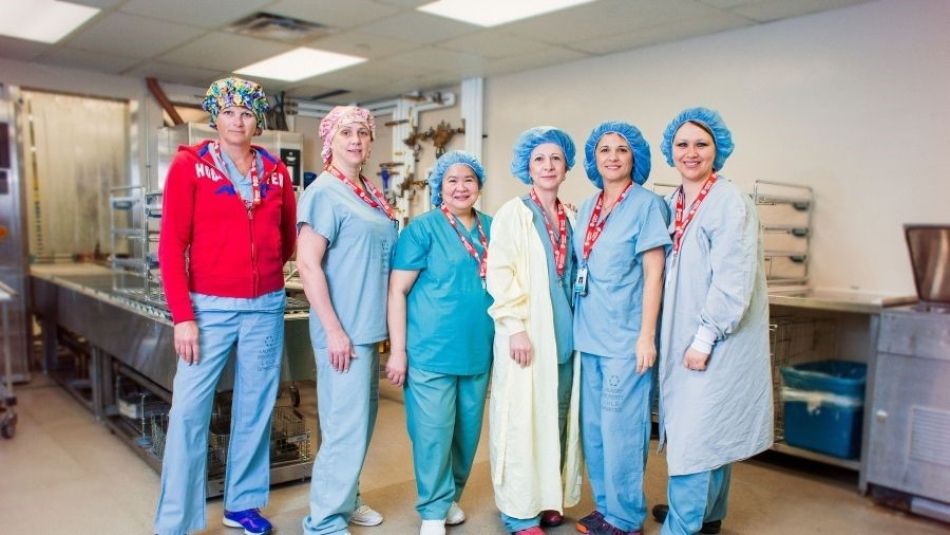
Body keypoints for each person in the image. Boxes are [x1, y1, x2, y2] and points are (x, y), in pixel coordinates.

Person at [154, 76, 297, 535]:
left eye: (247, 112)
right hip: (208, 308)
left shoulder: (276, 172)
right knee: (189, 413)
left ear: (258, 119)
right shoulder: (189, 166)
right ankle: (176, 521)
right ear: (214, 117)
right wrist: (183, 317)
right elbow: (171, 247)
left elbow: (288, 238)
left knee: (256, 408)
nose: (238, 120)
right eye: (229, 111)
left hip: (266, 306)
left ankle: (242, 505)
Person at [652, 107, 772, 535]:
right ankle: (708, 516)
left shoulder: (728, 201)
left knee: (696, 436)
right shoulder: (673, 201)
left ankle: (682, 525)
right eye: (682, 144)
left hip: (713, 338)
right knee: (708, 431)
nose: (690, 152)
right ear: (670, 150)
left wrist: (704, 338)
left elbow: (733, 279)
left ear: (717, 150)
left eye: (701, 144)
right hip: (683, 334)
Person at [296, 106, 396, 535]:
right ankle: (324, 520)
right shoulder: (323, 192)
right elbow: (308, 264)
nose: (355, 139)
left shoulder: (368, 193)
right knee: (343, 428)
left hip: (368, 330)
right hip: (344, 332)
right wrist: (335, 331)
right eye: (346, 132)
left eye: (362, 133)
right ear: (330, 140)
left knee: (360, 424)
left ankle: (347, 497)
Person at [386, 151, 494, 535]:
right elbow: (397, 291)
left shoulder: (493, 228)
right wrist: (398, 351)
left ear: (478, 186)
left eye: (468, 180)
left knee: (467, 435)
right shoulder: (422, 229)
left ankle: (450, 499)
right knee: (432, 435)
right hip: (430, 352)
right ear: (440, 188)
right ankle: (432, 510)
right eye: (452, 180)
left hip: (478, 351)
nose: (461, 187)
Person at [571, 121, 671, 535]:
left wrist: (646, 335)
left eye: (622, 150)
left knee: (621, 429)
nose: (612, 156)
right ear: (594, 160)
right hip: (588, 333)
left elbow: (654, 274)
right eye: (604, 150)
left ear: (636, 158)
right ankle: (605, 506)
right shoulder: (588, 205)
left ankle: (626, 516)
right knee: (593, 428)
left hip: (625, 338)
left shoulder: (647, 205)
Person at [487, 127, 583, 535]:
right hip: (526, 336)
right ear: (527, 166)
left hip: (565, 338)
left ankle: (548, 499)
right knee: (521, 420)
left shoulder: (573, 216)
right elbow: (500, 272)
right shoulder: (514, 214)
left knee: (556, 419)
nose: (548, 166)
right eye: (540, 159)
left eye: (555, 159)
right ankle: (519, 510)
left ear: (566, 168)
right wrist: (515, 328)